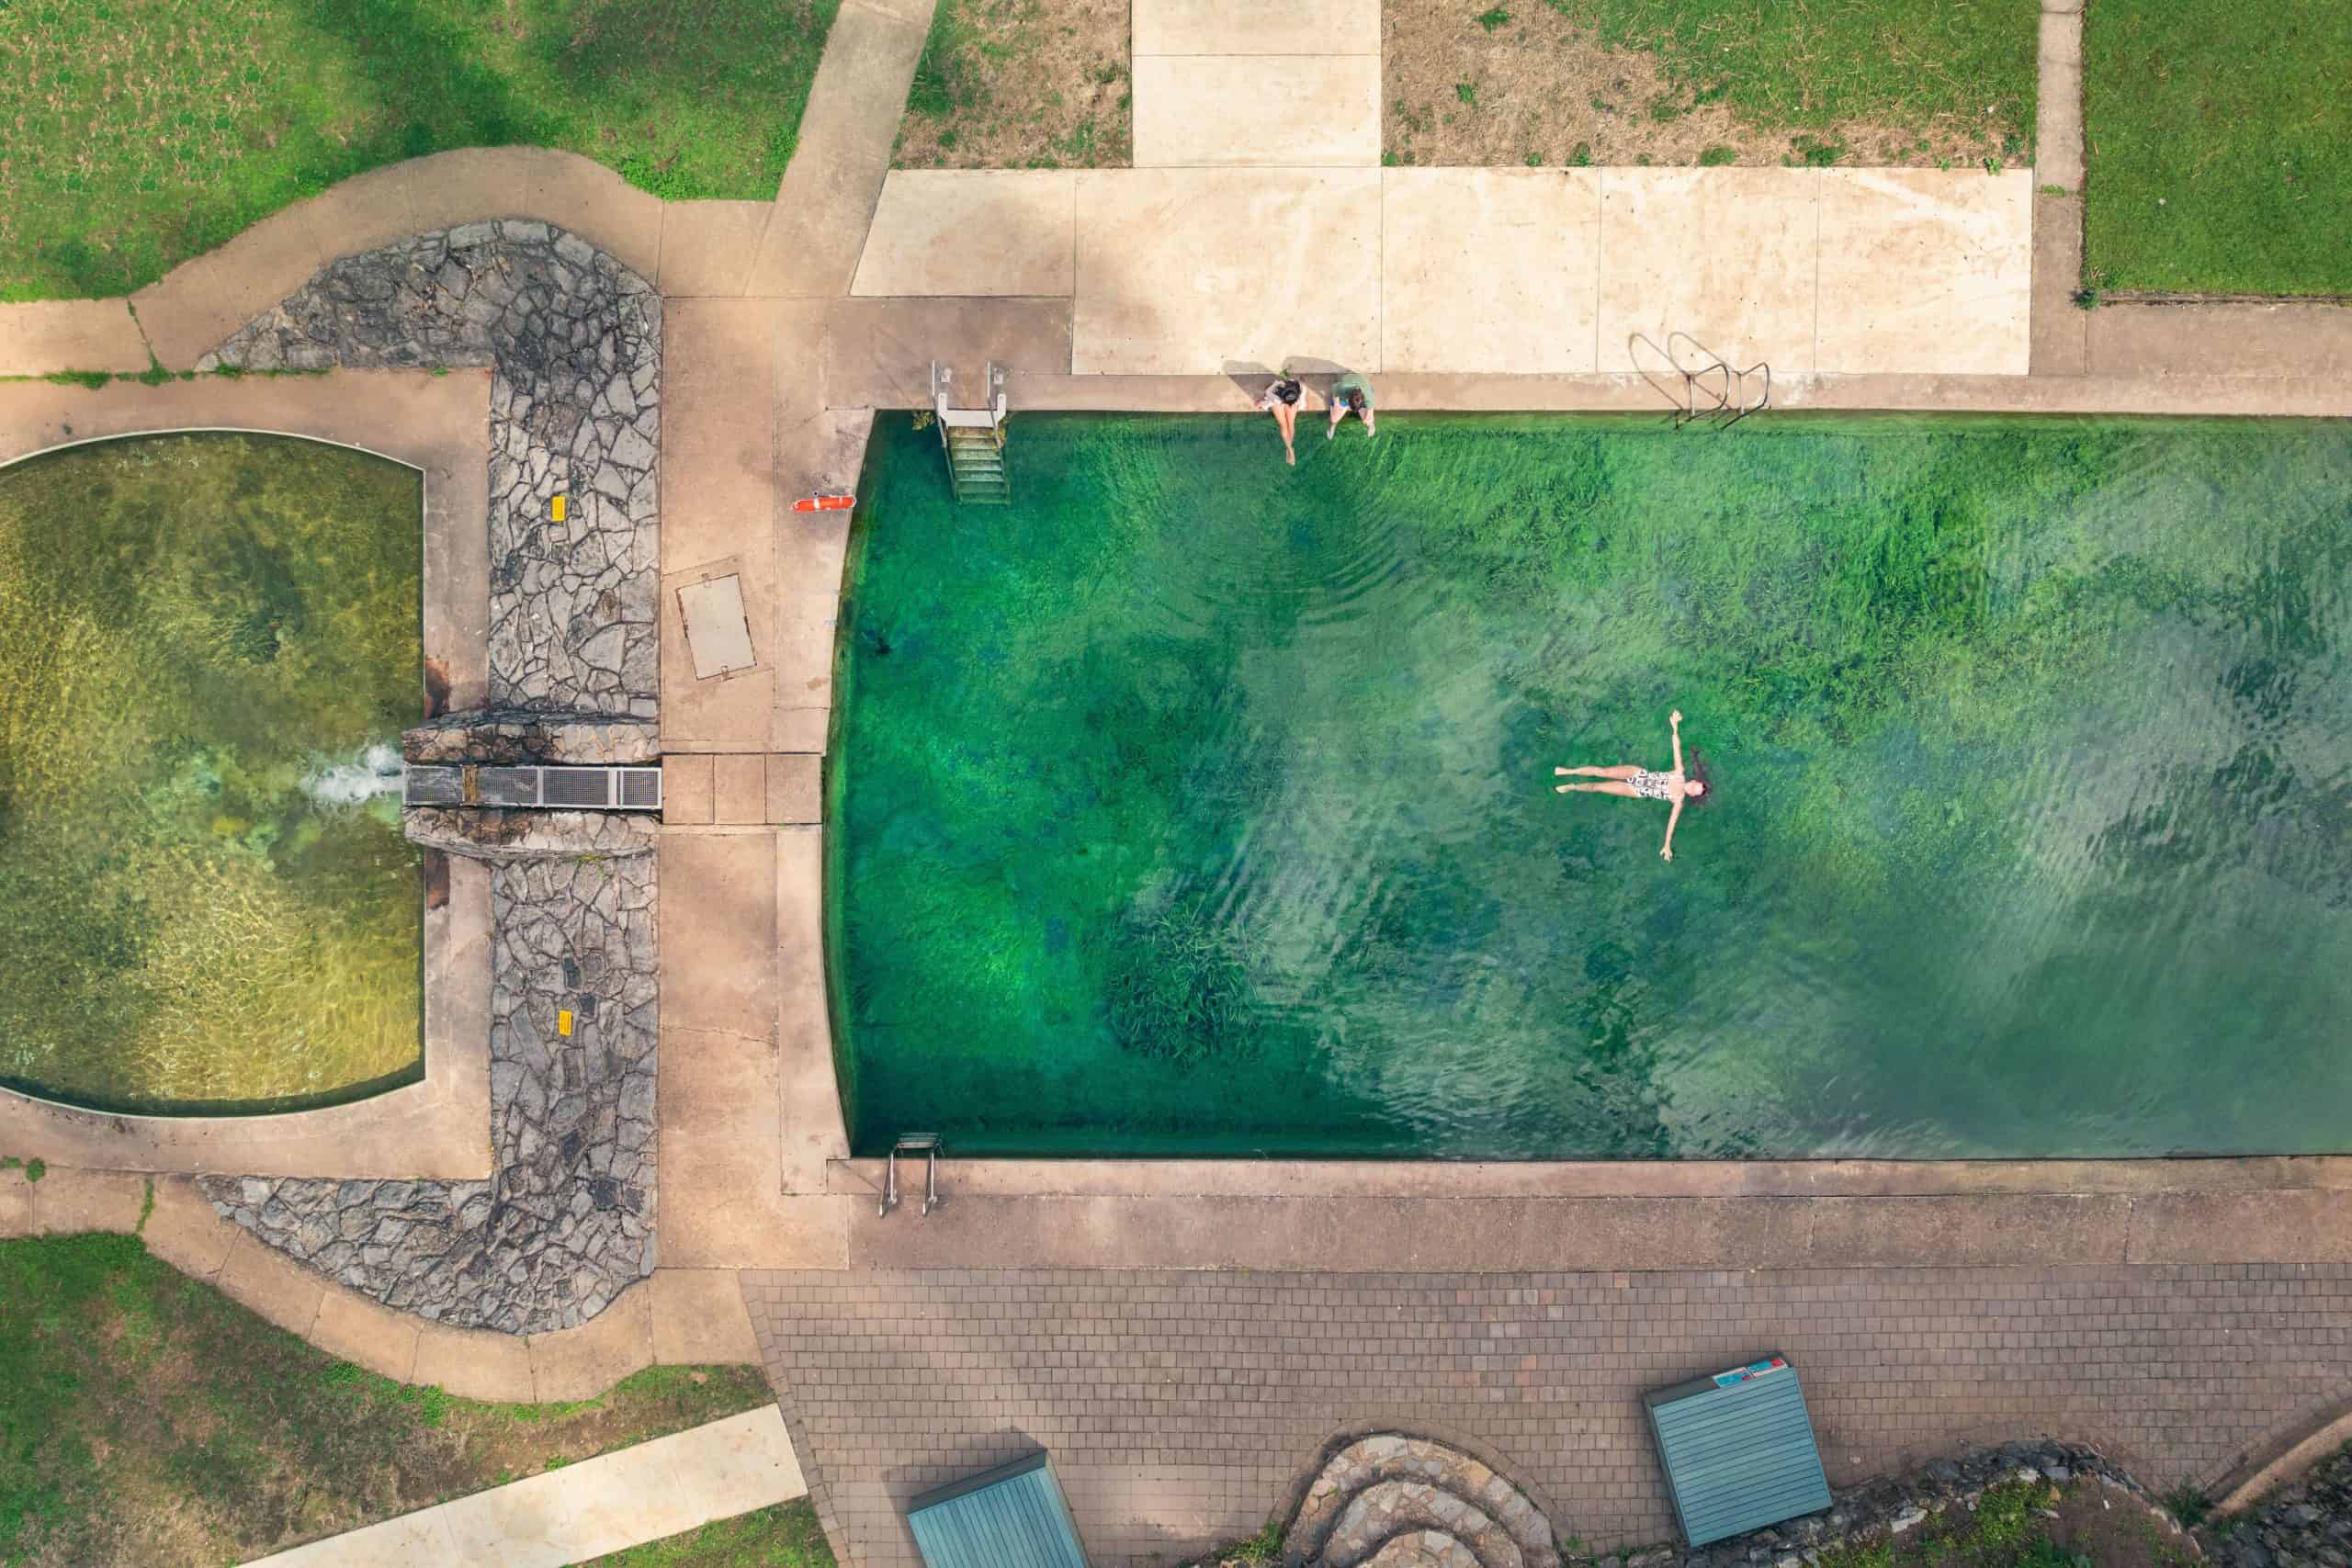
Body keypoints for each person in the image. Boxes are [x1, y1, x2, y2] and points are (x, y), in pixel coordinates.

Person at [1555, 709, 1710, 862]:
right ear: (1693, 781)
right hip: (1638, 774)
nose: (1692, 787)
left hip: (1636, 790)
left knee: (1598, 787)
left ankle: (1572, 787)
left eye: (1695, 791)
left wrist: (1667, 845)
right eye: (1695, 785)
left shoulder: (1678, 800)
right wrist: (1675, 727)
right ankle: (1569, 771)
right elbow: (1676, 747)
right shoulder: (1679, 773)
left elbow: (1671, 824)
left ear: (1692, 795)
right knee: (1603, 772)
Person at [1258, 371, 1304, 465]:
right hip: (1292, 402)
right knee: (1290, 423)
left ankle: (1290, 450)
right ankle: (1289, 449)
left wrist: (1261, 403)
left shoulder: (1276, 395)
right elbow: (1301, 398)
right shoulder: (1300, 388)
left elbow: (1269, 394)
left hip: (1278, 401)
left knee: (1283, 425)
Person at [1327, 370, 1375, 438]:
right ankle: (1333, 425)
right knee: (1334, 419)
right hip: (1345, 389)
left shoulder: (1368, 397)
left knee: (1369, 421)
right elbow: (1334, 388)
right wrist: (1336, 405)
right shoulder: (1342, 387)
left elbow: (1370, 413)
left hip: (1362, 390)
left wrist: (1367, 420)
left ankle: (1372, 425)